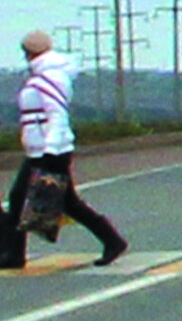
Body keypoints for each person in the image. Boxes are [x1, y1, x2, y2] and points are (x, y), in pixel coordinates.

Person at [1, 29, 127, 270]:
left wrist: (50, 149)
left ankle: (112, 241)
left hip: (50, 152)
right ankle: (14, 254)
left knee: (49, 201)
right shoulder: (45, 75)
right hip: (42, 150)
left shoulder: (48, 77)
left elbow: (56, 115)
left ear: (28, 52)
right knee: (37, 200)